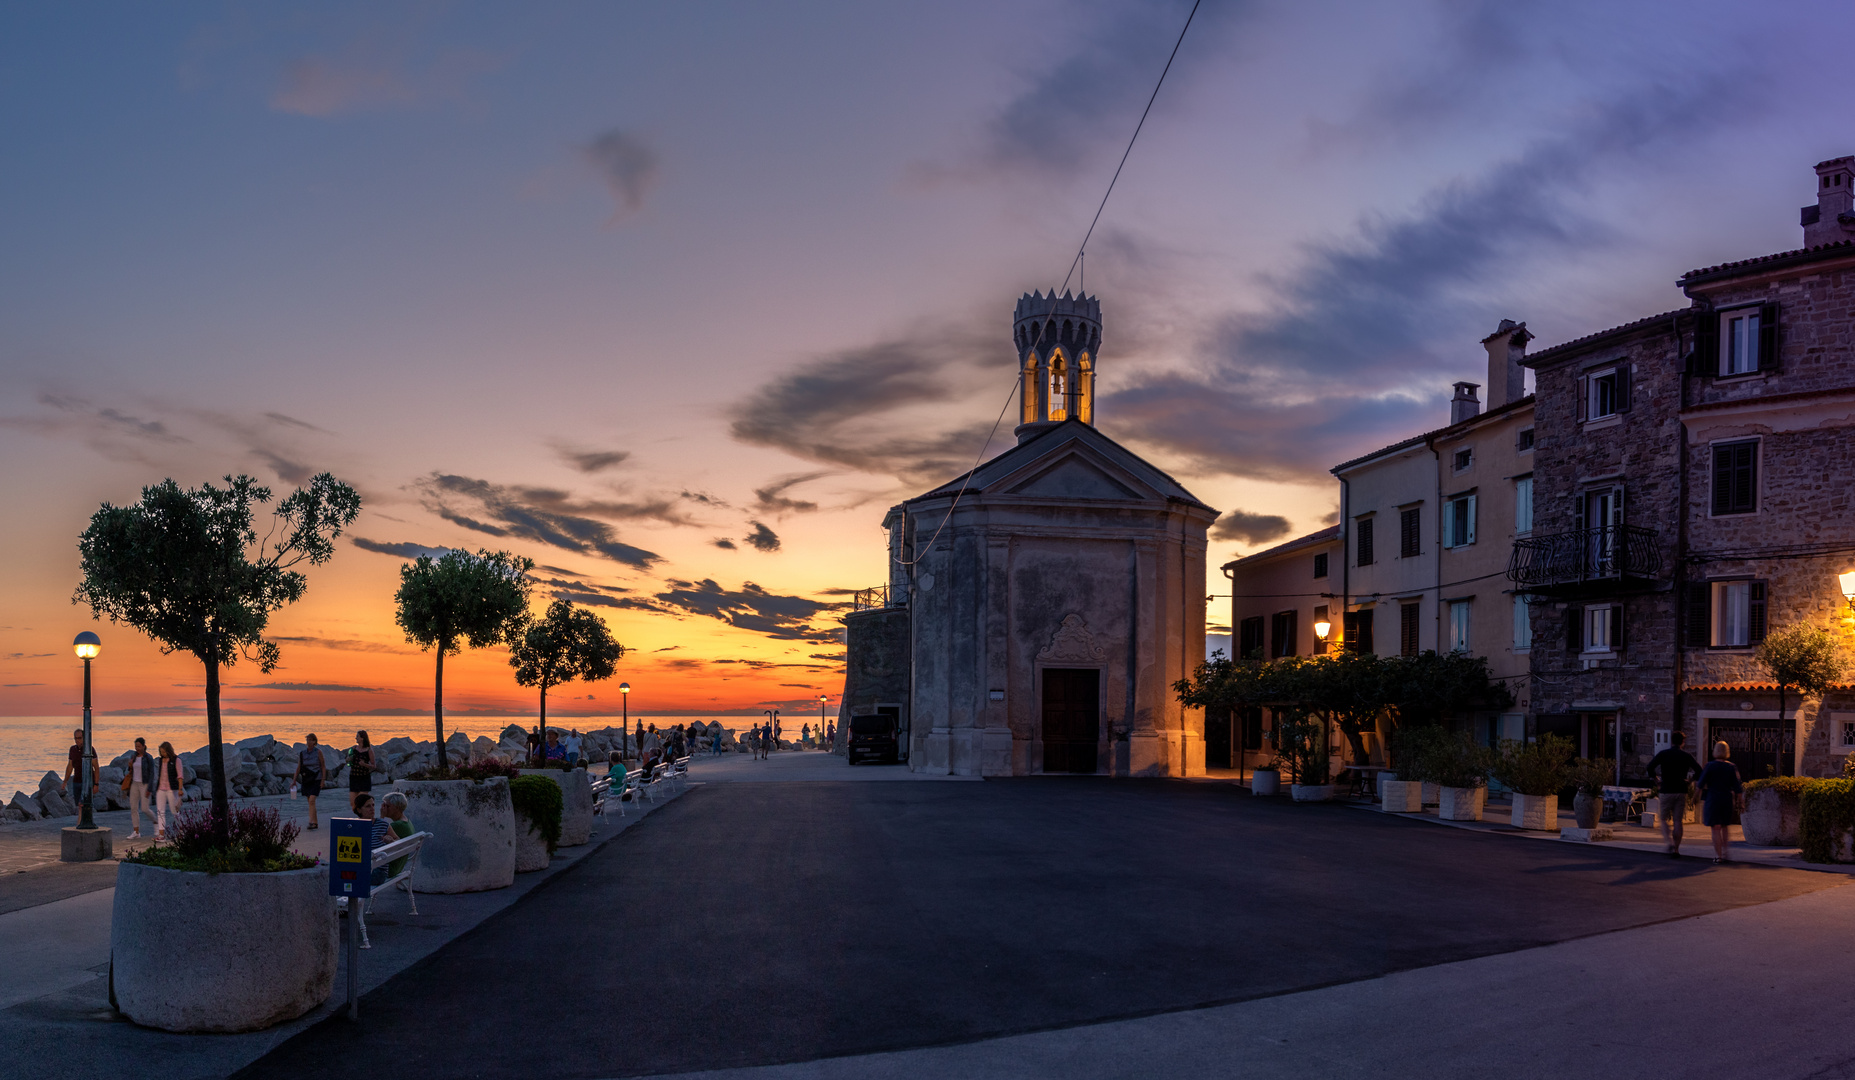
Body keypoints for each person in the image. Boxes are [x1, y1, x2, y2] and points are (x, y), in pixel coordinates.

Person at [1644, 730, 1704, 858]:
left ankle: (1669, 841)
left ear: (1671, 741)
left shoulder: (1663, 754)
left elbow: (1650, 767)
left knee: (1663, 819)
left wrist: (1656, 780)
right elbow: (1699, 770)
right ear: (1682, 742)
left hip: (1666, 789)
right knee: (1678, 820)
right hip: (1681, 790)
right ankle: (1676, 849)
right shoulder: (1686, 756)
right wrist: (1690, 780)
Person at [1697, 741, 1745, 864]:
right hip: (1727, 799)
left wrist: (1695, 798)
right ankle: (1726, 851)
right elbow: (1737, 787)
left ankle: (1718, 856)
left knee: (1715, 828)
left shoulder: (1710, 766)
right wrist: (1741, 802)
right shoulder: (1731, 767)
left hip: (1713, 799)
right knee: (1724, 826)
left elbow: (1700, 784)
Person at [120, 737, 156, 840]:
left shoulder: (148, 758)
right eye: (136, 746)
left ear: (144, 746)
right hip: (134, 783)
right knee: (133, 808)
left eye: (139, 746)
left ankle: (155, 821)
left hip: (144, 784)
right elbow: (130, 770)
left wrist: (150, 788)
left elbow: (152, 774)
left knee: (145, 808)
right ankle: (136, 831)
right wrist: (130, 765)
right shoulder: (133, 756)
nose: (137, 748)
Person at [379, 791, 416, 880]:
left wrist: (381, 817)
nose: (384, 808)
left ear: (397, 808)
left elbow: (375, 836)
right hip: (397, 866)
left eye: (387, 806)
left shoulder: (397, 825)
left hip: (387, 869)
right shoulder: (406, 821)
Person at [294, 733, 326, 831]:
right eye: (307, 740)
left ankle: (311, 822)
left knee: (312, 800)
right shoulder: (302, 753)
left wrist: (323, 780)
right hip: (306, 779)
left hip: (316, 778)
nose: (308, 742)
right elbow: (299, 767)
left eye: (310, 740)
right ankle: (315, 822)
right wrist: (294, 780)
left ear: (314, 741)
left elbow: (323, 766)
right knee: (310, 802)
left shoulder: (318, 752)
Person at [154, 741, 184, 841]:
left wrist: (180, 789)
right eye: (161, 752)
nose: (162, 754)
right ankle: (161, 835)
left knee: (174, 811)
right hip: (160, 789)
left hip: (172, 789)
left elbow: (180, 776)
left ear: (169, 751)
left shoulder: (176, 760)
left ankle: (182, 831)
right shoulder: (160, 760)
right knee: (160, 812)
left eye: (164, 752)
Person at [61, 728, 97, 806]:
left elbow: (96, 768)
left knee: (82, 804)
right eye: (75, 738)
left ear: (84, 738)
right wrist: (65, 781)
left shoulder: (90, 749)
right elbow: (70, 766)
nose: (77, 740)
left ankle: (80, 818)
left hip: (87, 782)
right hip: (76, 782)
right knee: (78, 805)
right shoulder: (72, 749)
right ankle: (81, 818)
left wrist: (96, 784)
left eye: (79, 738)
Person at [348, 730, 376, 814]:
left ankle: (364, 820)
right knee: (353, 804)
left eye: (357, 736)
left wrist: (365, 765)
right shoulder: (353, 749)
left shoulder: (369, 750)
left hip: (364, 778)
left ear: (362, 738)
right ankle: (360, 818)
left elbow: (374, 766)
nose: (356, 738)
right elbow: (348, 761)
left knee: (361, 802)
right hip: (354, 777)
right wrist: (348, 759)